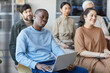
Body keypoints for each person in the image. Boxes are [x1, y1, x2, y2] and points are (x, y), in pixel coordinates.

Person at [16, 9, 88, 73]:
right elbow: (19, 56)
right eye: (42, 17)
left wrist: (65, 62)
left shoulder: (48, 33)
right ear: (34, 17)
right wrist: (36, 65)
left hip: (53, 63)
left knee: (83, 71)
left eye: (47, 18)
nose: (45, 19)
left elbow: (56, 49)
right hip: (38, 65)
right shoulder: (24, 33)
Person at [74, 8, 110, 73]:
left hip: (100, 57)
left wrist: (108, 52)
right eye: (91, 15)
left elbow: (104, 48)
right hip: (85, 58)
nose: (94, 18)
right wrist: (100, 54)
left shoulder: (99, 30)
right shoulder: (80, 31)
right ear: (85, 17)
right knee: (106, 70)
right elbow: (81, 52)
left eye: (95, 16)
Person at [9, 4, 33, 70]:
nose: (29, 13)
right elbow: (13, 45)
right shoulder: (16, 26)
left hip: (36, 58)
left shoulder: (36, 24)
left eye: (30, 11)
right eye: (26, 12)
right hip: (23, 59)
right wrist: (16, 62)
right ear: (21, 14)